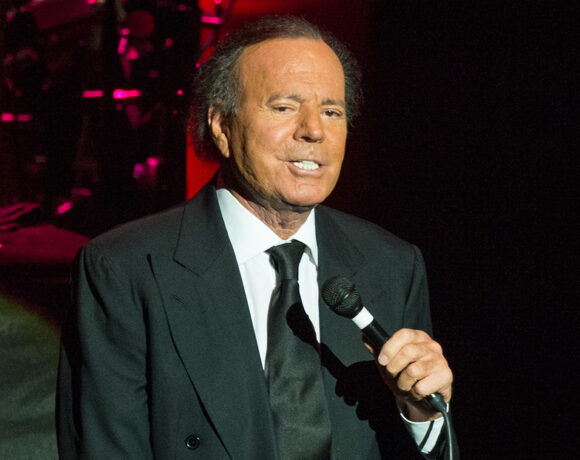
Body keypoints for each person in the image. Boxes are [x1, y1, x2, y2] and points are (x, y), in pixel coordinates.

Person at [57, 15, 455, 459]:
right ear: (221, 126)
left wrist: (421, 417)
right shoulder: (125, 269)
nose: (314, 130)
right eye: (284, 107)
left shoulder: (392, 265)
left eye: (332, 111)